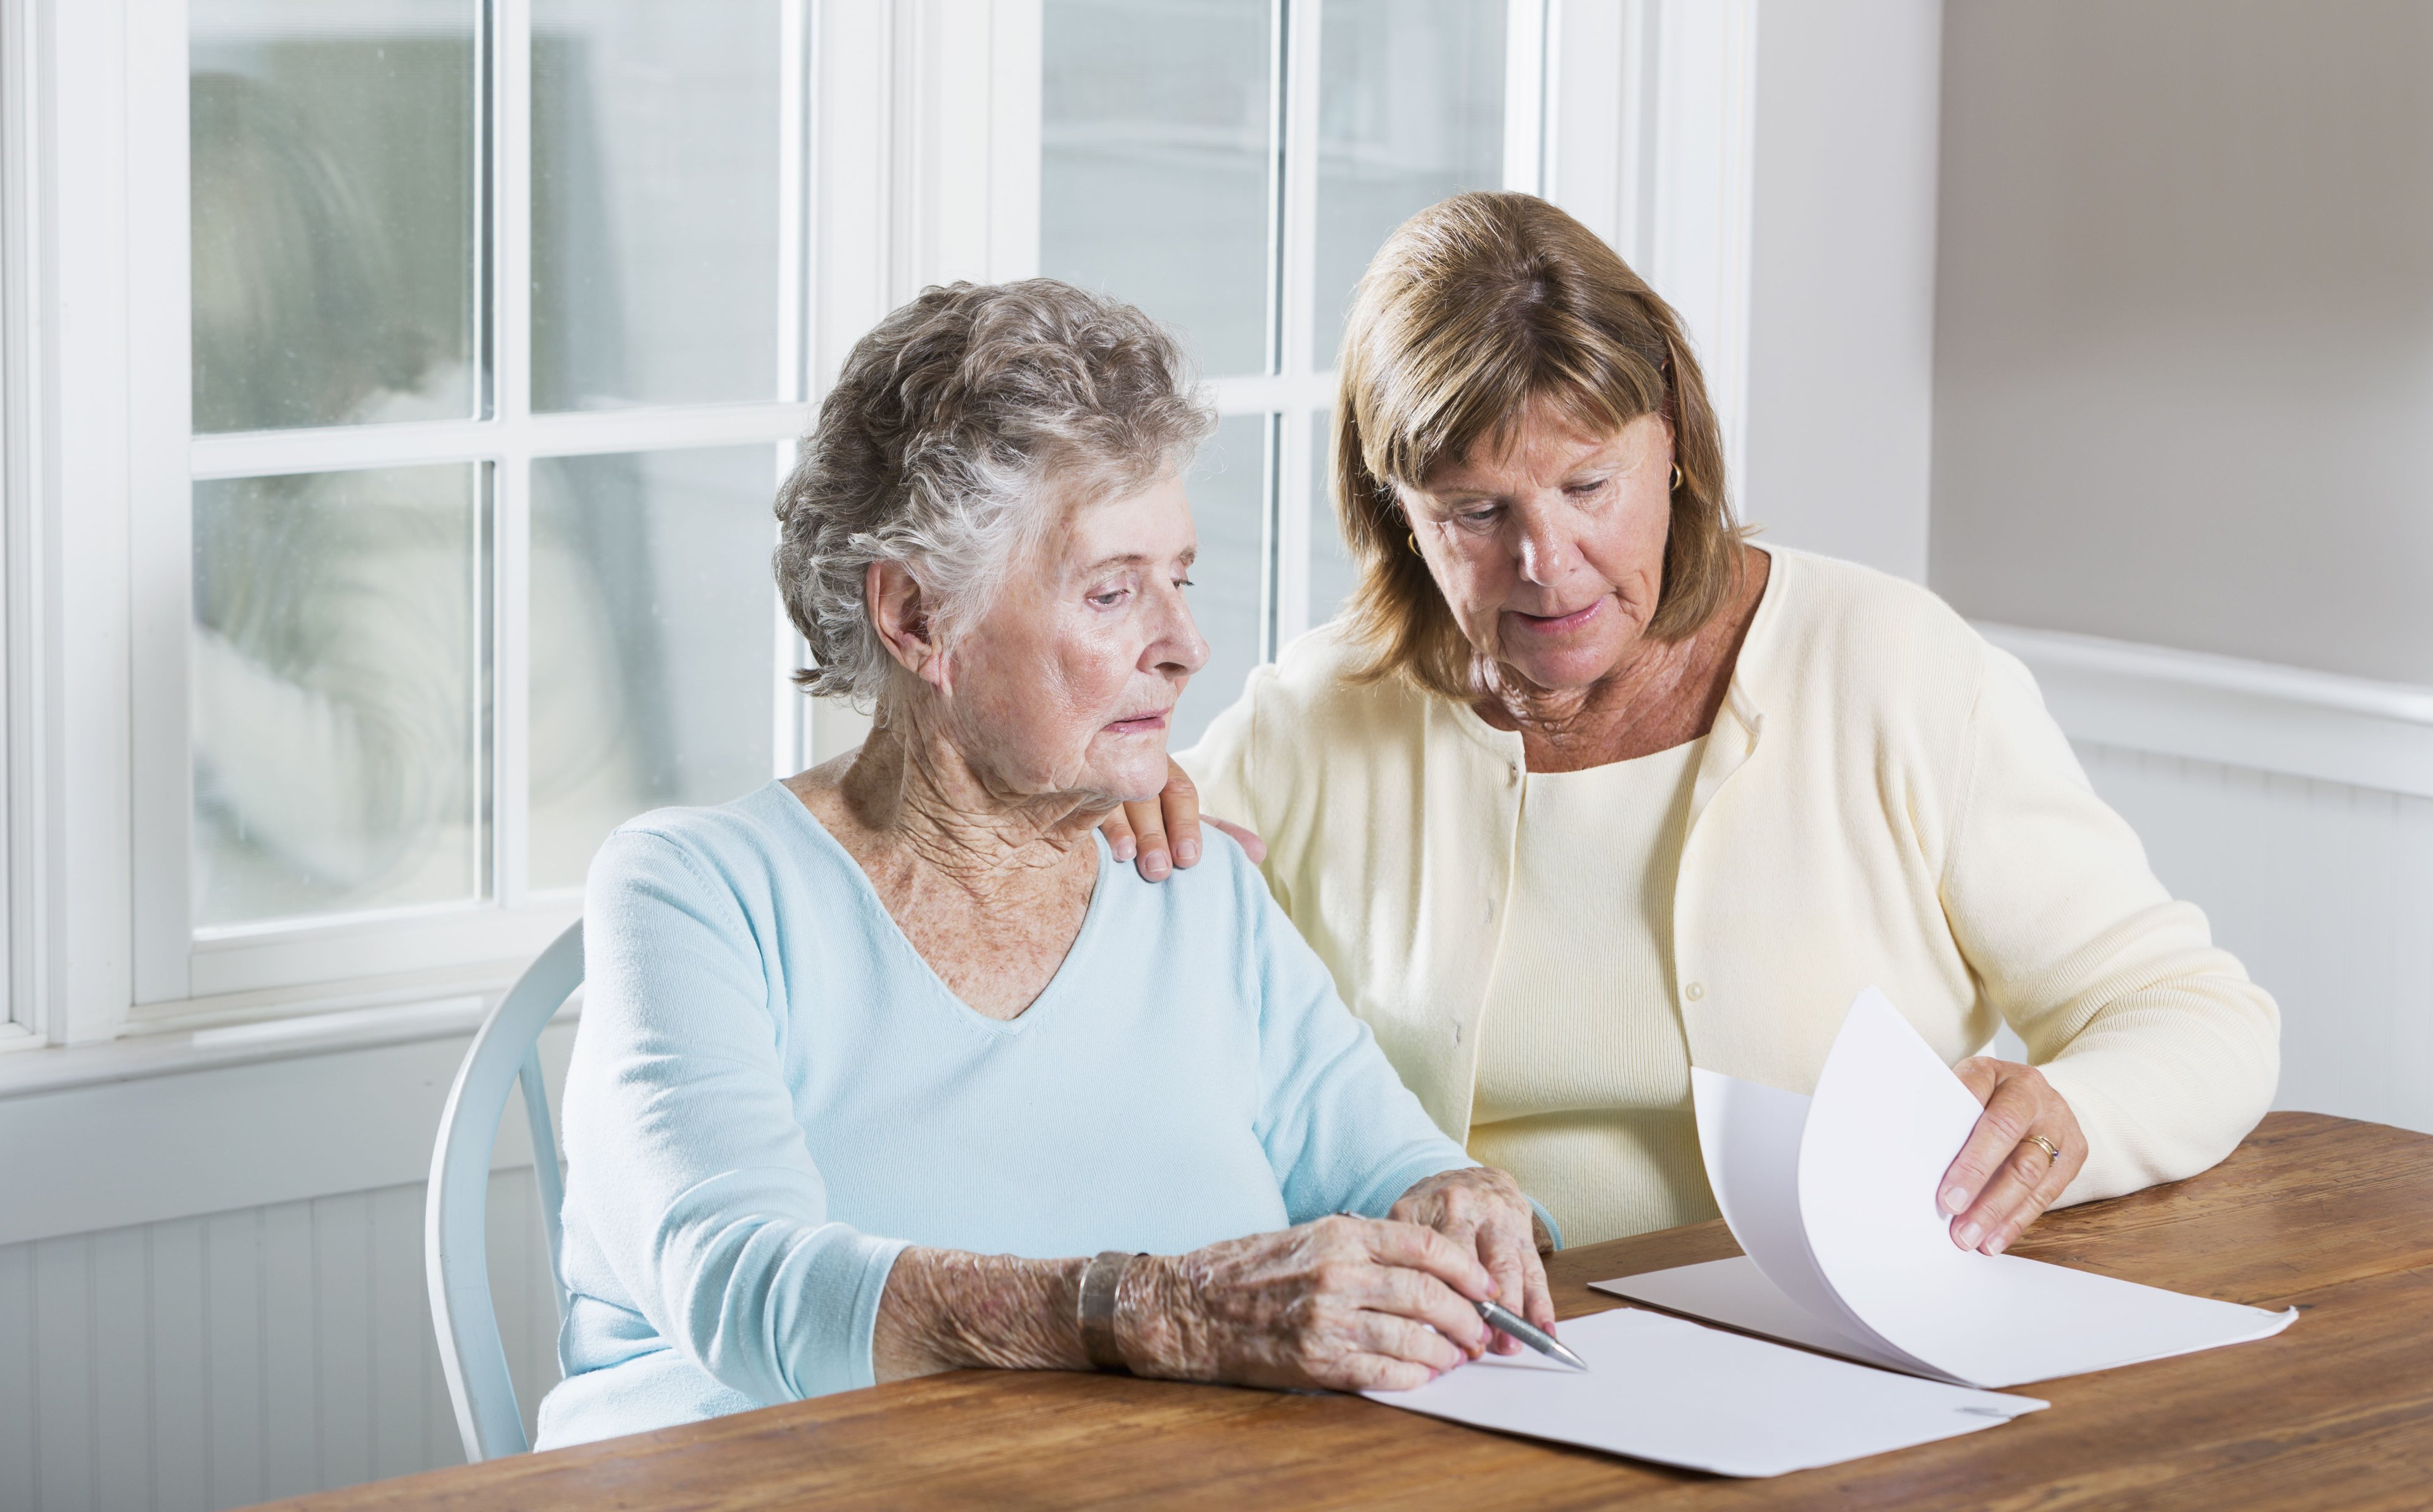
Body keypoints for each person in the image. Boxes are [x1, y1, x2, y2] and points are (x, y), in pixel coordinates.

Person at [1111, 191, 2280, 1255]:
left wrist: (2071, 1114)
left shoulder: (1893, 667)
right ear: (1396, 511)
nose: (1547, 565)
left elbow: (2194, 1020)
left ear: (1670, 442)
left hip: (1833, 1341)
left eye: (1588, 488)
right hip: (1470, 1359)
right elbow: (1105, 969)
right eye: (1477, 511)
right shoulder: (1320, 716)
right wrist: (1102, 813)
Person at [535, 279, 1552, 1450]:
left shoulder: (1188, 884)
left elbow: (1392, 1163)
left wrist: (1462, 1203)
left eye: (1181, 576)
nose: (1184, 646)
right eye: (1112, 592)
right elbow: (742, 1286)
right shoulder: (693, 891)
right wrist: (1155, 1309)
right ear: (917, 617)